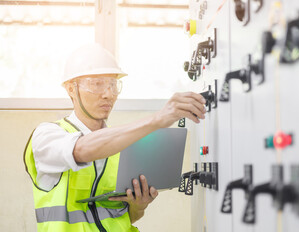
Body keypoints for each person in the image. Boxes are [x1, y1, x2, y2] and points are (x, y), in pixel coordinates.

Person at [24, 44, 206, 231]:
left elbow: (128, 217)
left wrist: (138, 205)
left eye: (112, 84)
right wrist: (157, 119)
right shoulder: (47, 135)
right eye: (97, 84)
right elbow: (81, 149)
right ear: (71, 89)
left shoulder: (124, 146)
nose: (108, 94)